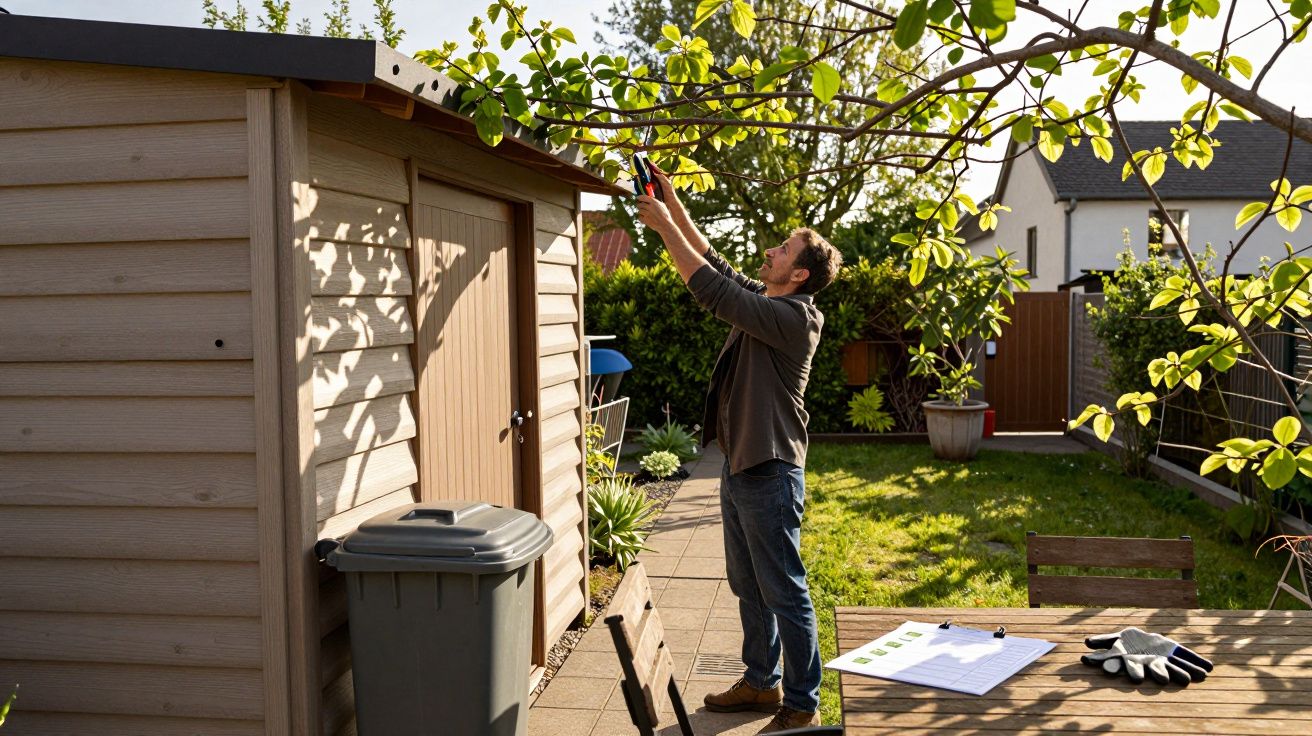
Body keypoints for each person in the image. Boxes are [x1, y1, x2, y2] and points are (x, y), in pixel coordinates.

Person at [635, 163, 842, 733]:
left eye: (782, 249)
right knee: (747, 584)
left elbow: (710, 287)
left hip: (770, 471)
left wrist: (660, 229)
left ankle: (802, 701)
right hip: (741, 465)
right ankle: (761, 682)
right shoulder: (771, 301)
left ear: (798, 273)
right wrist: (672, 202)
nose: (770, 251)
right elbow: (719, 265)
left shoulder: (793, 318)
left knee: (785, 591)